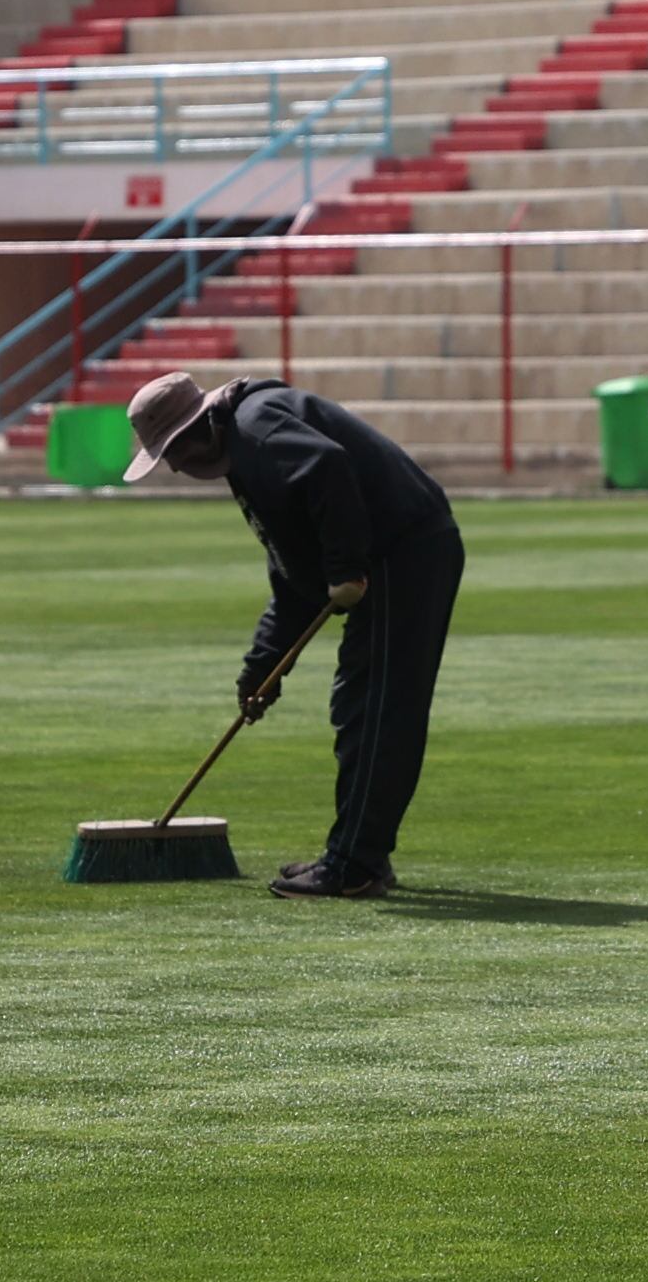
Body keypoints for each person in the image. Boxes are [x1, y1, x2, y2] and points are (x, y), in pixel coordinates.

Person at [125, 367, 465, 902]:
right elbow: (292, 575)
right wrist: (262, 667)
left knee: (376, 706)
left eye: (172, 449)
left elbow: (328, 467)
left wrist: (347, 567)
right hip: (390, 556)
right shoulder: (244, 454)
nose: (172, 463)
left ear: (198, 430)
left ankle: (354, 864)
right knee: (359, 704)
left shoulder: (256, 428)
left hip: (406, 551)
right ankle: (361, 851)